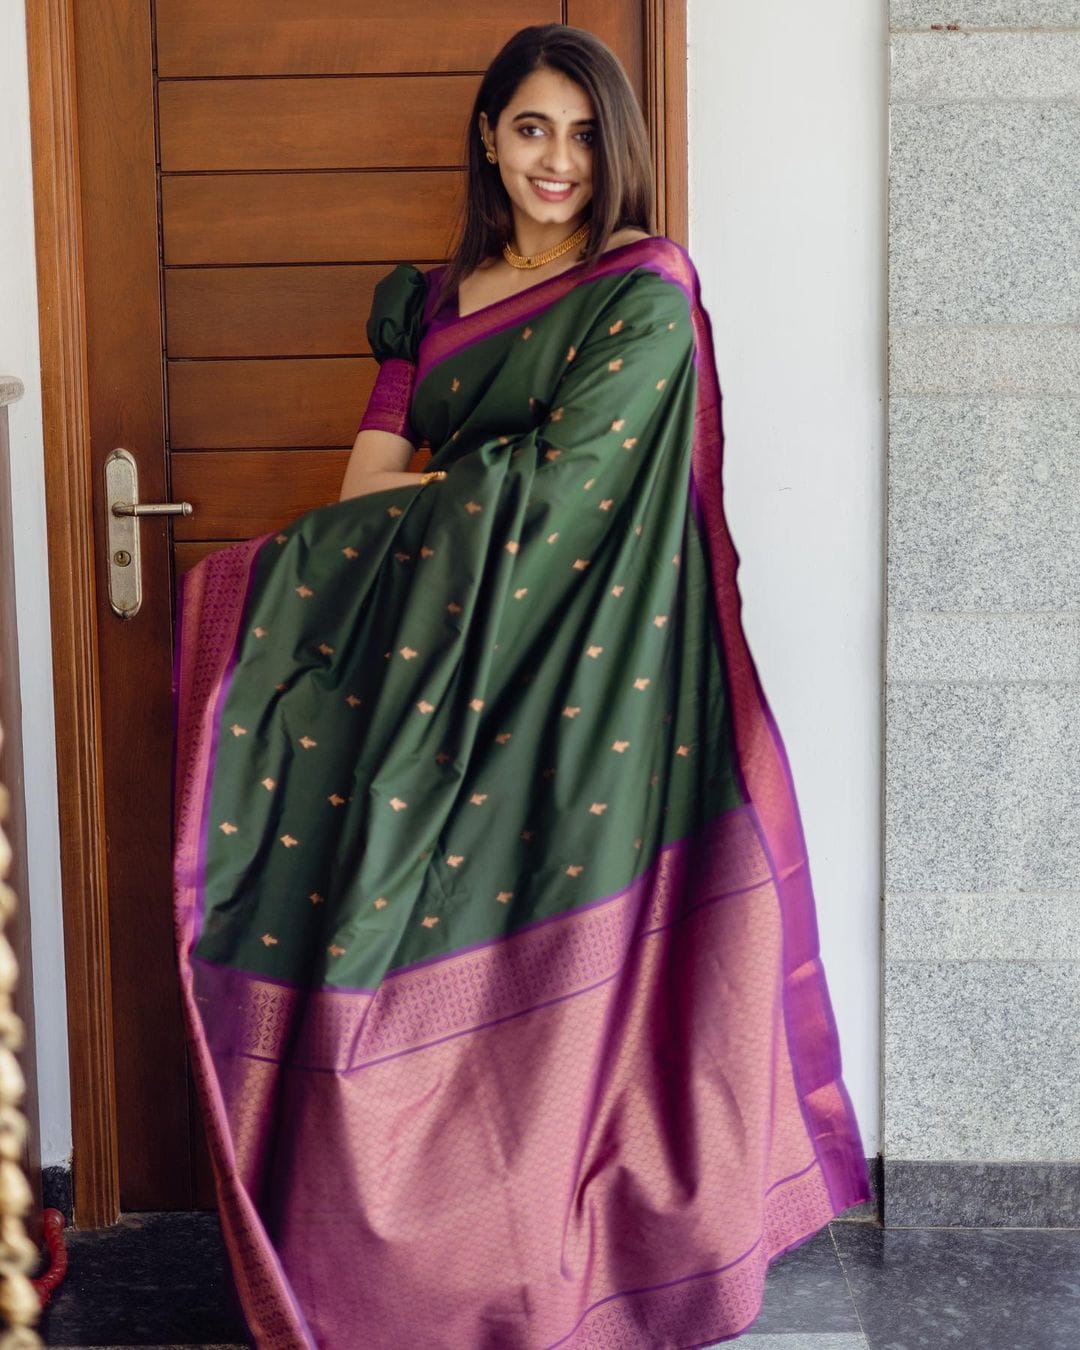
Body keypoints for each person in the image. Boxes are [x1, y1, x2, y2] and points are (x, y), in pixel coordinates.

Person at [173, 22, 870, 1349]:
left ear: (618, 147)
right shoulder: (432, 302)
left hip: (588, 707)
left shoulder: (641, 293)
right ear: (490, 138)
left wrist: (456, 487)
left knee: (565, 1011)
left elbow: (570, 496)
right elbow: (358, 490)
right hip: (416, 699)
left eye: (582, 131)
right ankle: (401, 1287)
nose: (558, 159)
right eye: (532, 128)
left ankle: (567, 1274)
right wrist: (462, 491)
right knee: (379, 959)